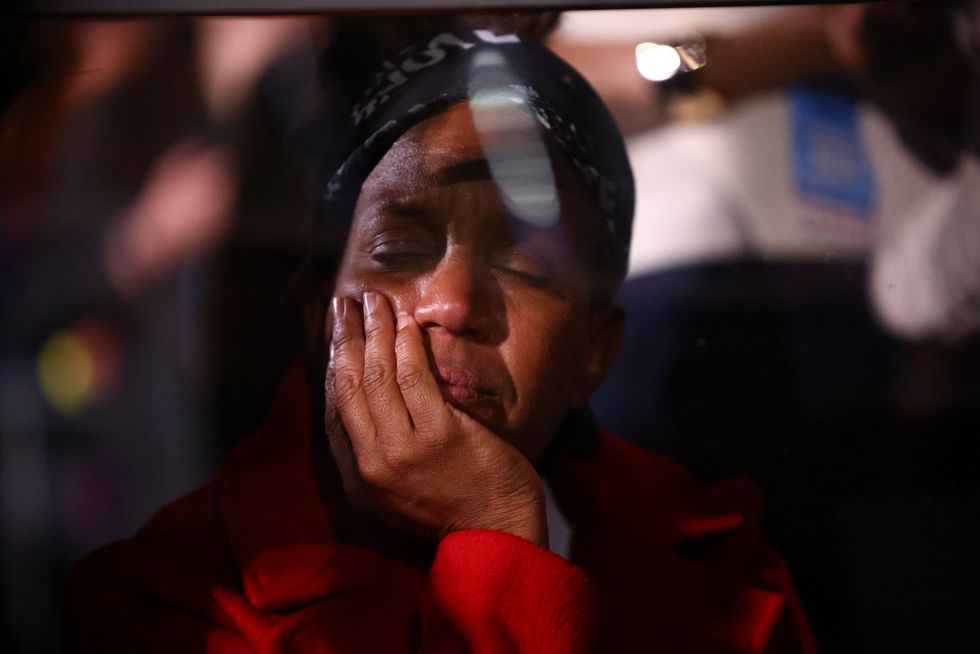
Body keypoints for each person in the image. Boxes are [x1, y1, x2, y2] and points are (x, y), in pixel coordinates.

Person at [63, 28, 816, 653]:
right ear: (319, 310)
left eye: (525, 264)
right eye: (398, 251)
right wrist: (498, 539)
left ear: (595, 351)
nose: (454, 305)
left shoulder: (727, 580)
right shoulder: (169, 603)